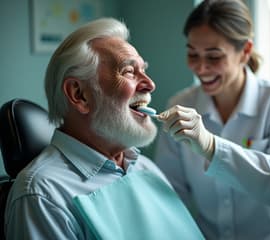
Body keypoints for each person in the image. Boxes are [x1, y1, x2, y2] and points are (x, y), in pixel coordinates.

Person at [4, 18, 204, 240]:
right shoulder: (42, 196)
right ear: (79, 94)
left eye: (144, 70)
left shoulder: (145, 167)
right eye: (129, 71)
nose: (149, 84)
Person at [156, 0, 270, 239]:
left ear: (244, 51)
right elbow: (171, 194)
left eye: (214, 57)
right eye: (192, 54)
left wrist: (212, 147)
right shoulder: (179, 106)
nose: (201, 68)